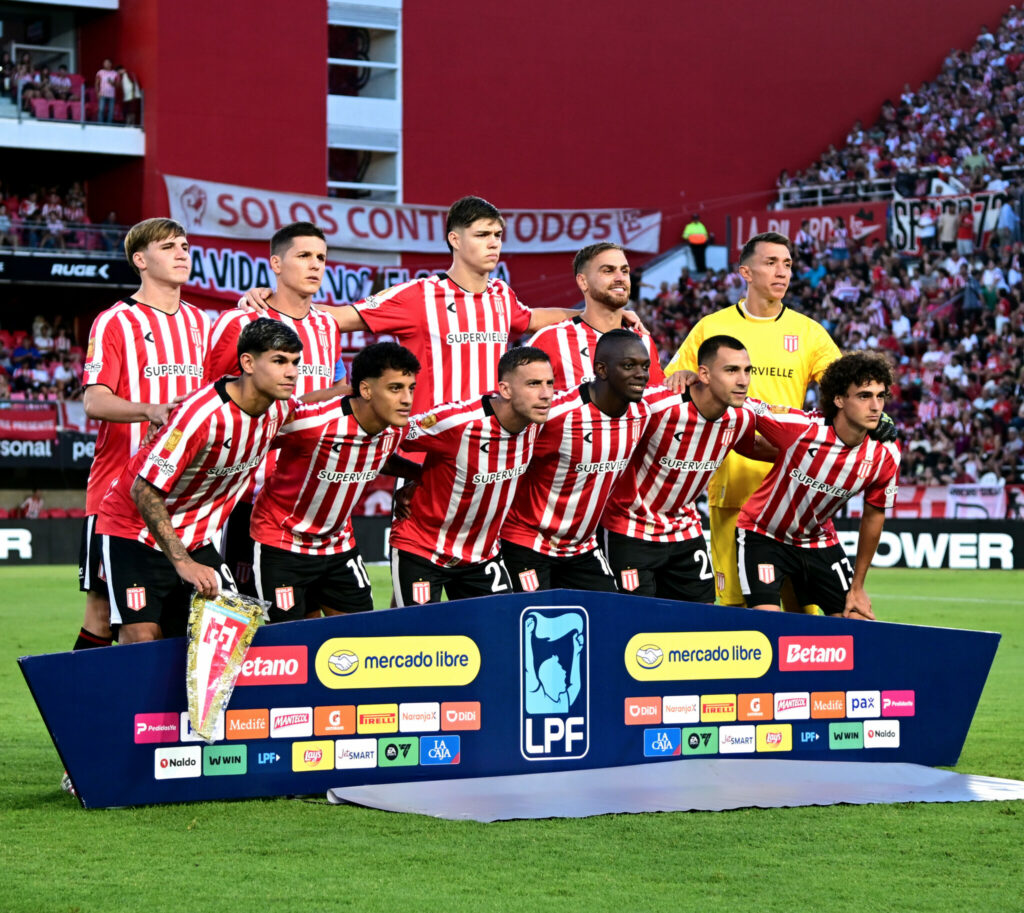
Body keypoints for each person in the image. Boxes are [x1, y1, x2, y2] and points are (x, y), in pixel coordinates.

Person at [243, 196, 641, 415]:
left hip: (493, 441)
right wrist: (272, 300)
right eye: (483, 234)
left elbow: (533, 317)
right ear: (454, 239)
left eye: (498, 235)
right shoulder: (417, 295)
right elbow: (342, 317)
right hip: (428, 445)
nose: (493, 243)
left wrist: (601, 314)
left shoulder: (502, 295)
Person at [662, 232, 841, 608]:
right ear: (746, 271)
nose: (782, 271)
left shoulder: (809, 334)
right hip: (732, 485)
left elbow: (845, 390)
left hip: (792, 492)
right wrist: (683, 378)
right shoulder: (711, 327)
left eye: (788, 264)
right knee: (735, 609)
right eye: (771, 262)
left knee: (800, 612)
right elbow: (673, 383)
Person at [96, 319, 302, 643]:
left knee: (229, 635)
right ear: (247, 362)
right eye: (279, 361)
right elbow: (143, 489)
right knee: (142, 638)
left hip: (195, 537)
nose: (291, 372)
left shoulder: (280, 412)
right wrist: (184, 564)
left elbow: (327, 421)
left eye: (295, 363)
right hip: (133, 531)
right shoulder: (202, 416)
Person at [73, 218, 210, 651]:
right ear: (140, 260)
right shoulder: (115, 321)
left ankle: (168, 718)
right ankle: (80, 713)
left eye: (185, 245)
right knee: (102, 610)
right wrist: (148, 409)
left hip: (184, 498)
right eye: (169, 246)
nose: (182, 253)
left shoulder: (203, 324)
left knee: (179, 615)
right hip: (119, 491)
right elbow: (94, 401)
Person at [207, 222, 343, 593]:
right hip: (250, 494)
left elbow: (335, 394)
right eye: (304, 256)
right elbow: (208, 397)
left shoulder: (328, 327)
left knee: (312, 620)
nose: (315, 265)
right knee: (237, 612)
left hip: (314, 492)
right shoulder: (240, 321)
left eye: (321, 258)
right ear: (276, 264)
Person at [251, 342, 420, 621]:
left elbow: (377, 456)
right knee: (289, 648)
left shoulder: (394, 429)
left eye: (410, 388)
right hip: (282, 544)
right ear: (365, 390)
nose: (406, 399)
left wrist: (420, 478)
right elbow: (253, 434)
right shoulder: (314, 424)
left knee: (360, 642)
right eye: (395, 388)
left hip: (339, 545)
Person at [602, 335, 772, 602]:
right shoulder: (656, 406)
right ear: (703, 374)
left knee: (698, 624)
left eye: (747, 370)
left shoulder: (742, 416)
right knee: (634, 623)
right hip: (630, 529)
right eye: (731, 370)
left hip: (685, 531)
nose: (743, 380)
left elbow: (760, 445)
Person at [737, 351, 901, 620]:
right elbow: (741, 403)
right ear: (838, 399)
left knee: (856, 621)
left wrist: (858, 587)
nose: (875, 406)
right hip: (763, 533)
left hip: (818, 540)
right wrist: (693, 379)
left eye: (880, 396)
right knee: (768, 625)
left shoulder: (886, 453)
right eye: (864, 396)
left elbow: (874, 514)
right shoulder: (800, 428)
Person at [389, 346, 554, 605]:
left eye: (549, 383)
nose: (546, 394)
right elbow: (385, 436)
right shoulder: (457, 422)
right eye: (533, 384)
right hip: (423, 549)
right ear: (506, 389)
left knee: (499, 641)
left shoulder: (538, 422)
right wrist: (415, 474)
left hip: (483, 557)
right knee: (417, 640)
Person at [501, 330, 650, 592]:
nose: (641, 374)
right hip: (528, 543)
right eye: (629, 366)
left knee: (608, 621)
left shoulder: (642, 414)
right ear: (601, 370)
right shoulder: (555, 415)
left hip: (582, 548)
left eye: (645, 366)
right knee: (531, 626)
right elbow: (503, 454)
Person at [527, 242, 665, 390]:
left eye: (624, 271)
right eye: (608, 271)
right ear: (583, 282)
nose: (620, 278)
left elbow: (657, 404)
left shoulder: (643, 340)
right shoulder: (550, 341)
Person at [95, 58, 117, 123]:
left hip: (112, 94)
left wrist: (113, 83)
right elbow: (97, 83)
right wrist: (97, 92)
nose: (106, 64)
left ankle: (109, 124)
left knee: (111, 110)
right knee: (101, 109)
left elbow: (118, 85)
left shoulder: (115, 73)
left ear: (110, 64)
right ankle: (100, 123)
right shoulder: (100, 72)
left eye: (107, 63)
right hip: (102, 93)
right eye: (104, 63)